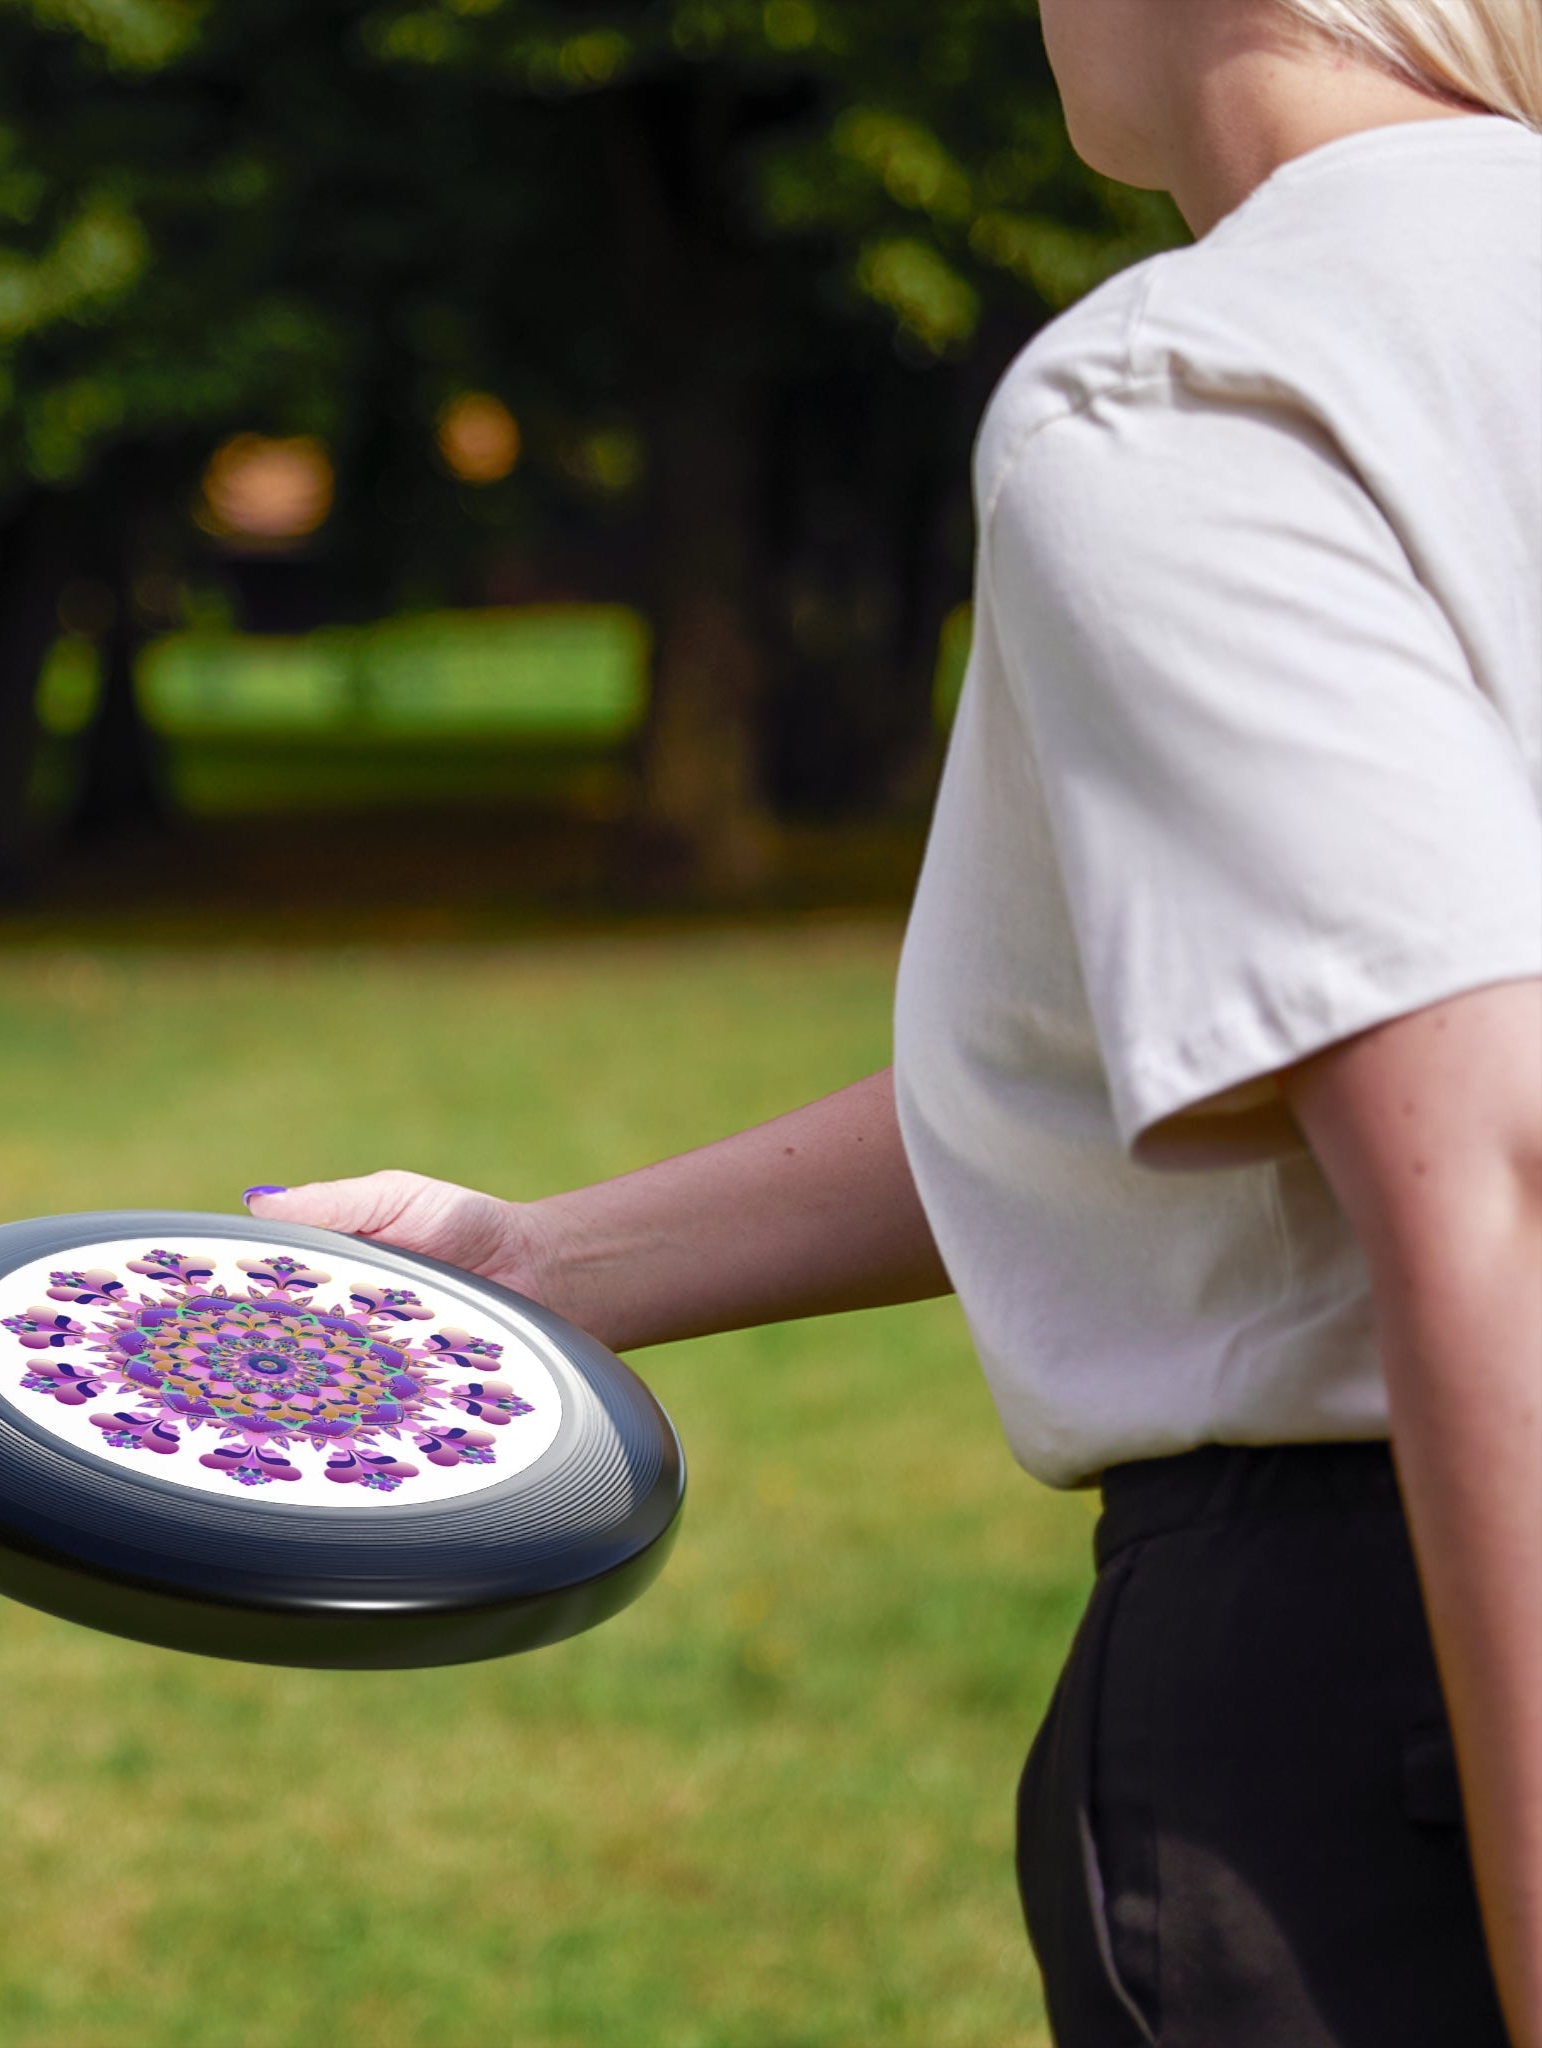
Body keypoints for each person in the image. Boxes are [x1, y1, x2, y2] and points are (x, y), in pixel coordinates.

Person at [242, 2, 1542, 2041]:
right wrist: (542, 1262)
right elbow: (1226, 1048)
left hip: (1396, 1686)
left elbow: (1491, 1165)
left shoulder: (1199, 383)